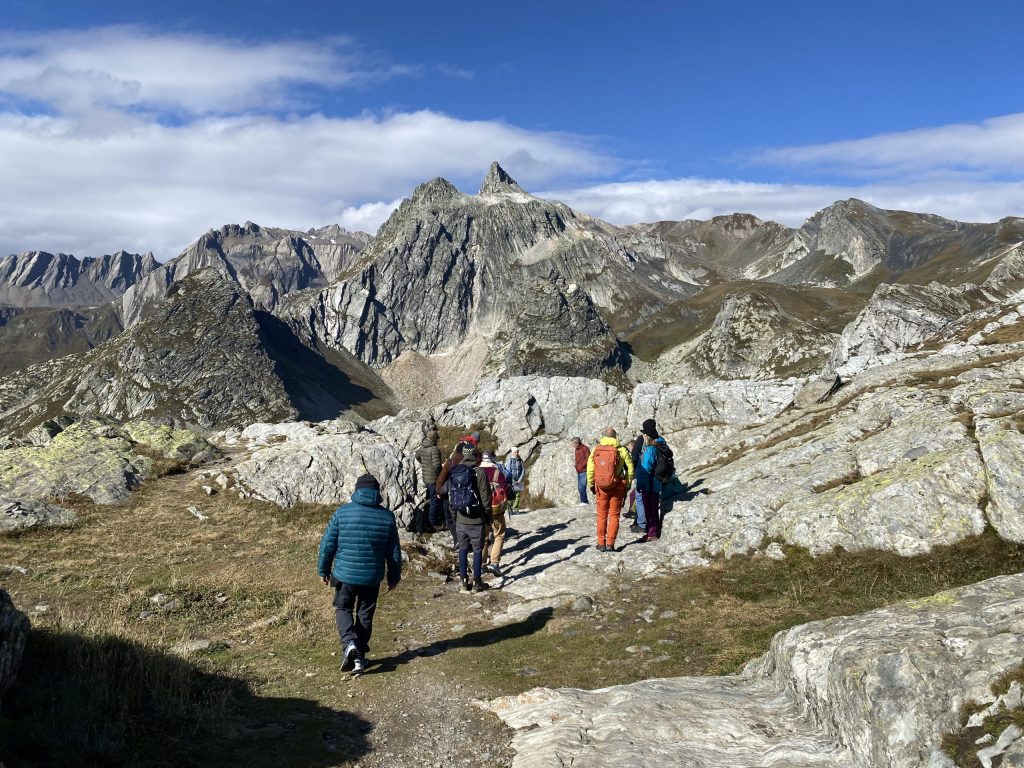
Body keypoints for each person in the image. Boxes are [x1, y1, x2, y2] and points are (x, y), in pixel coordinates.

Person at [317, 474, 401, 675]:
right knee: (365, 613)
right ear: (377, 492)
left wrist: (324, 570)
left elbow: (328, 545)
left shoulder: (342, 513)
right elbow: (394, 552)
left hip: (345, 575)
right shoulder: (387, 516)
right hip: (372, 577)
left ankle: (349, 643)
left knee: (343, 607)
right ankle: (359, 657)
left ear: (357, 490)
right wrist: (394, 577)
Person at [436, 446, 492, 592]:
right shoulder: (480, 473)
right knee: (478, 550)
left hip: (460, 520)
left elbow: (451, 498)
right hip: (477, 520)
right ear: (475, 456)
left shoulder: (456, 471)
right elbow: (486, 500)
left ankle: (463, 581)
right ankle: (477, 582)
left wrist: (455, 519)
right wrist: (487, 518)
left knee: (462, 549)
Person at [586, 427, 634, 552]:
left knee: (602, 515)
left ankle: (601, 543)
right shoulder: (622, 450)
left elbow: (590, 470)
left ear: (604, 436)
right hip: (618, 487)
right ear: (615, 437)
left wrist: (592, 484)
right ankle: (610, 544)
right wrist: (627, 485)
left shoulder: (596, 449)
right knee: (614, 515)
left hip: (601, 488)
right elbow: (630, 469)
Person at [632, 419, 668, 541]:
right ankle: (654, 530)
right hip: (657, 482)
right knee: (654, 507)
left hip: (649, 483)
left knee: (649, 508)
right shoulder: (661, 443)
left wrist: (639, 484)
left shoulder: (650, 449)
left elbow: (645, 468)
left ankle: (651, 533)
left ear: (647, 435)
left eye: (645, 434)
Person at [480, 451, 509, 576]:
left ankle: (480, 565)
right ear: (492, 459)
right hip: (496, 509)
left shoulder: (477, 471)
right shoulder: (497, 472)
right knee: (499, 535)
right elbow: (506, 489)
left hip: (482, 510)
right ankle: (494, 563)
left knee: (483, 538)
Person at [416, 430, 443, 529]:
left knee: (432, 497)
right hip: (433, 478)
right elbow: (437, 466)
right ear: (435, 439)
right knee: (435, 499)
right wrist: (441, 474)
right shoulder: (434, 449)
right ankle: (433, 522)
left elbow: (417, 456)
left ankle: (428, 518)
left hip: (425, 477)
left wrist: (425, 464)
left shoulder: (423, 446)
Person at [502, 447, 525, 514]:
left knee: (517, 496)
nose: (517, 453)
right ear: (512, 452)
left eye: (517, 452)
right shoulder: (510, 460)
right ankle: (510, 510)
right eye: (515, 452)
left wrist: (520, 480)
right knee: (511, 495)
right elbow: (508, 471)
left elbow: (523, 470)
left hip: (519, 481)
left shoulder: (520, 460)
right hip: (511, 481)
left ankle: (516, 509)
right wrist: (513, 480)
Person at [571, 437, 590, 505]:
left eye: (573, 443)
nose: (572, 445)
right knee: (580, 487)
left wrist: (582, 466)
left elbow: (588, 459)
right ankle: (584, 501)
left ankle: (584, 501)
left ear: (576, 443)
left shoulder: (585, 448)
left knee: (582, 487)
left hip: (584, 470)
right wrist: (576, 466)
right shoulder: (577, 449)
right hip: (579, 471)